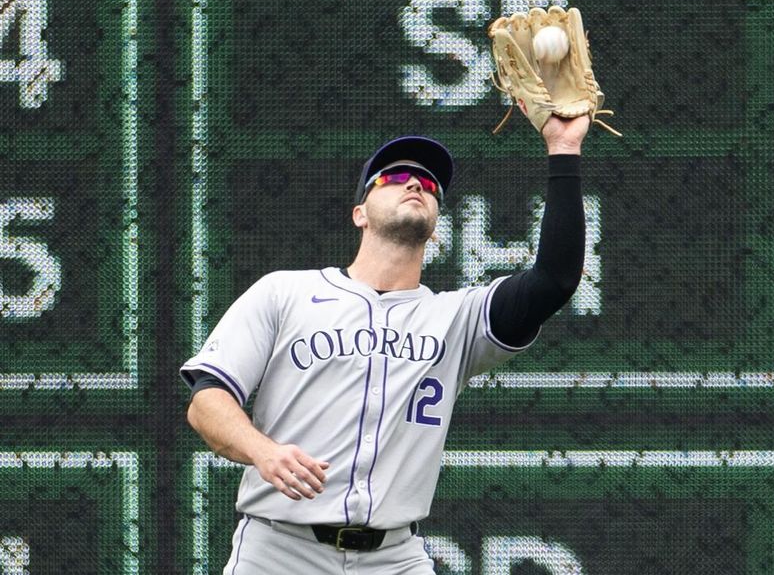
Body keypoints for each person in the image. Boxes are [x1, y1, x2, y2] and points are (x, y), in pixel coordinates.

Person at [180, 114, 589, 574]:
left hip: (396, 558)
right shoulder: (284, 293)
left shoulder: (456, 318)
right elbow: (206, 401)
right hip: (279, 549)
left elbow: (554, 279)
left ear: (435, 227)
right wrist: (263, 451)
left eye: (430, 186)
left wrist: (563, 148)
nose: (416, 184)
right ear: (359, 213)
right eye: (395, 177)